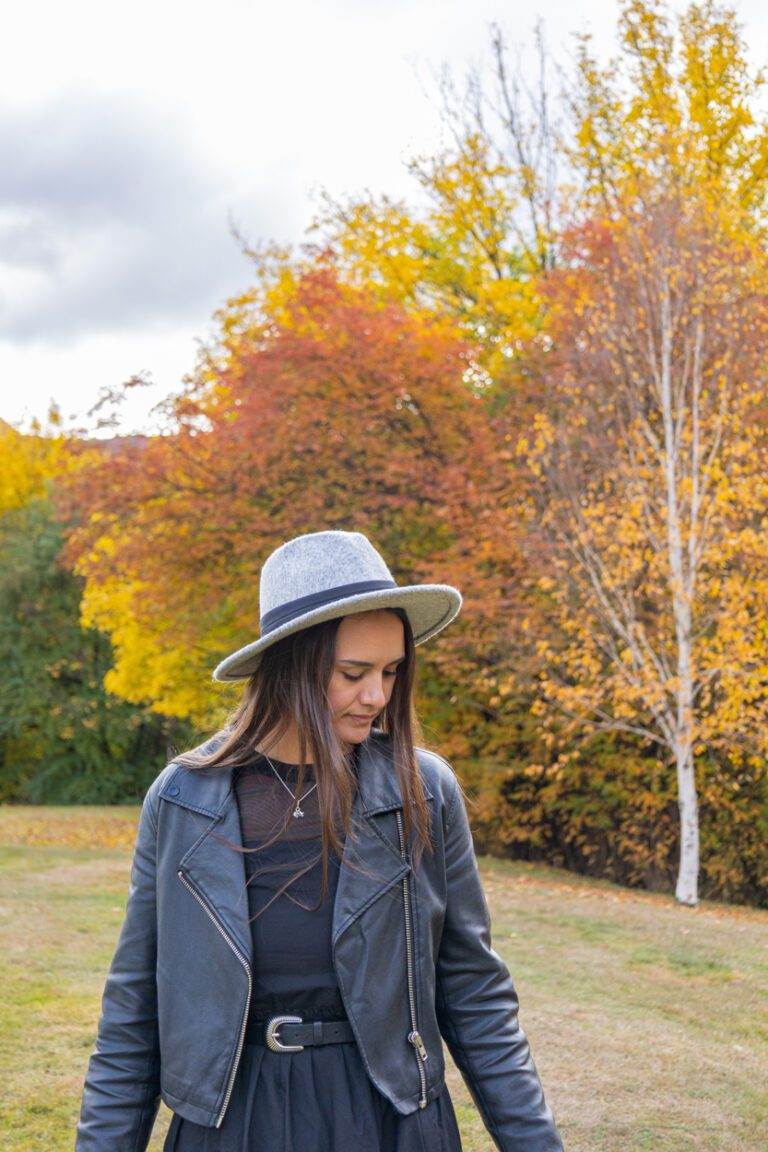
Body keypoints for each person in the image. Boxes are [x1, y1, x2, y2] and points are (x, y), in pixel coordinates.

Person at [75, 529, 565, 1152]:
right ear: (290, 665)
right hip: (232, 1121)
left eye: (391, 672)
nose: (378, 696)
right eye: (353, 672)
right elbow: (132, 1016)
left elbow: (475, 994)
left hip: (388, 1116)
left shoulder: (422, 791)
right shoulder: (183, 800)